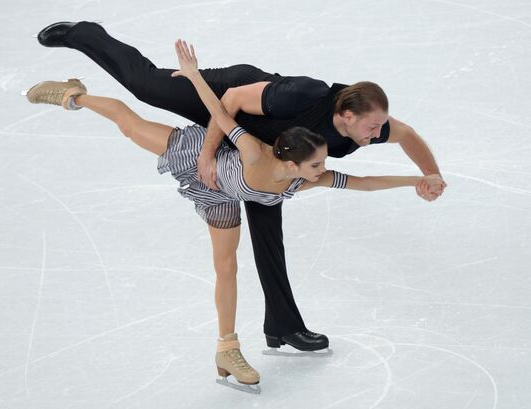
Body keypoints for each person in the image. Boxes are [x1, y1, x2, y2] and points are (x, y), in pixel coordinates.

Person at [25, 38, 444, 389]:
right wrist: (195, 90)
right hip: (214, 135)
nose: (378, 133)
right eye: (319, 164)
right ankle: (74, 86)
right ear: (347, 116)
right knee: (135, 109)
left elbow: (368, 179)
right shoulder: (296, 106)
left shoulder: (308, 173)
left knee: (232, 264)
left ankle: (251, 338)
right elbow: (225, 111)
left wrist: (423, 178)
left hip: (230, 191)